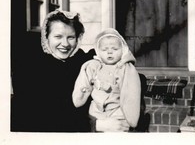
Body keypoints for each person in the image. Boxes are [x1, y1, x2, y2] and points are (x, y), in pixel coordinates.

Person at [11, 10, 141, 132]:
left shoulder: (81, 61)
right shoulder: (31, 68)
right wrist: (96, 124)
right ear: (46, 37)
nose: (65, 44)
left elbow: (134, 78)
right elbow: (39, 116)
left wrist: (125, 65)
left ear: (78, 38)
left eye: (70, 37)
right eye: (58, 36)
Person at [72, 28, 141, 131]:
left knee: (117, 131)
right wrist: (80, 97)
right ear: (98, 51)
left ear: (123, 49)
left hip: (116, 110)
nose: (109, 52)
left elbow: (130, 93)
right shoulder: (94, 66)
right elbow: (84, 82)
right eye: (104, 49)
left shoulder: (124, 68)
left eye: (114, 49)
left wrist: (131, 117)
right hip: (96, 110)